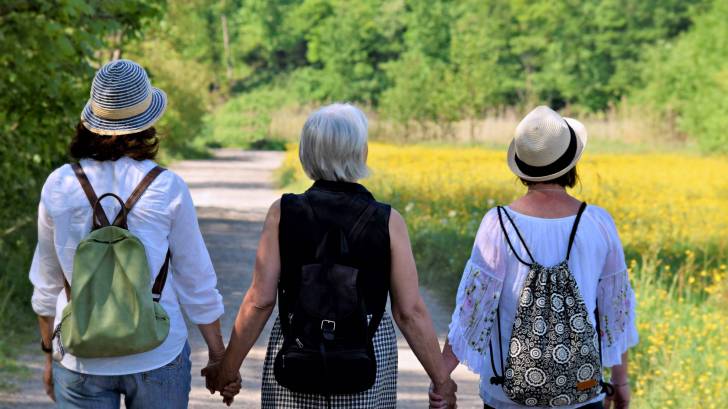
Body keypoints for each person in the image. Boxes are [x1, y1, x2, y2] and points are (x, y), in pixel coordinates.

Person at [201, 103, 457, 408]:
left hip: (299, 349)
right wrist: (442, 381)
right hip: (365, 353)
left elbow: (260, 300)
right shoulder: (387, 220)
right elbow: (409, 312)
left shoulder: (283, 213)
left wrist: (227, 370)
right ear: (360, 152)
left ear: (307, 152)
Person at [29, 59, 229, 408]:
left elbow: (46, 283)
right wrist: (218, 357)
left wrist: (50, 355)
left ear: (91, 121)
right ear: (148, 122)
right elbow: (195, 279)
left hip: (80, 355)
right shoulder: (166, 186)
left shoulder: (60, 184)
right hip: (157, 352)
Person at [434, 106, 638, 409]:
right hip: (582, 390)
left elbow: (473, 311)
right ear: (572, 164)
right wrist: (620, 381)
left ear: (521, 167)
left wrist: (441, 379)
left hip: (507, 395)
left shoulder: (498, 224)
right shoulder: (598, 223)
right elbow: (614, 312)